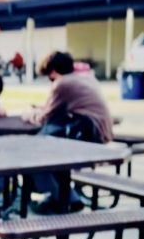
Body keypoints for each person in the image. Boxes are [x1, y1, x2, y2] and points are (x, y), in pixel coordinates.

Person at [22, 50, 113, 214]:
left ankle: (59, 198)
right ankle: (68, 198)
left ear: (54, 72)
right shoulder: (84, 76)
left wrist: (29, 114)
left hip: (88, 131)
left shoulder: (62, 83)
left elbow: (45, 117)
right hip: (98, 131)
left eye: (49, 76)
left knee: (36, 151)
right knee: (50, 151)